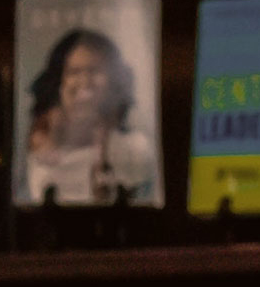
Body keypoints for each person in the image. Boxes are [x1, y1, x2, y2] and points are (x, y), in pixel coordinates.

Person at [24, 27, 159, 206]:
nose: (85, 81)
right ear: (59, 83)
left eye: (94, 71)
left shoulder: (134, 150)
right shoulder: (37, 149)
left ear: (114, 81)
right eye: (74, 72)